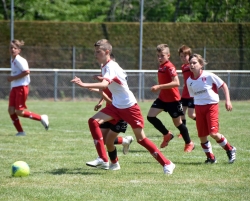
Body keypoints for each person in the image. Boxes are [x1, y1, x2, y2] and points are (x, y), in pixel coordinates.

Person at [71, 39, 175, 174]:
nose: (96, 55)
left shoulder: (110, 67)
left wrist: (83, 84)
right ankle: (103, 158)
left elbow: (105, 85)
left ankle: (167, 163)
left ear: (107, 52)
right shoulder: (105, 65)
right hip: (116, 106)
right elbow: (117, 80)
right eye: (95, 52)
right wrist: (101, 77)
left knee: (141, 139)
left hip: (129, 106)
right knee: (93, 121)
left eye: (98, 52)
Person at [187, 53, 236, 163]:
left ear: (201, 64)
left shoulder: (209, 76)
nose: (192, 65)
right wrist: (192, 110)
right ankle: (210, 158)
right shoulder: (189, 81)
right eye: (190, 63)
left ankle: (230, 149)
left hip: (211, 106)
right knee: (202, 135)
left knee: (213, 133)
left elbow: (223, 85)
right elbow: (192, 96)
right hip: (199, 108)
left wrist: (228, 100)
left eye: (194, 63)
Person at [147, 44, 194, 152]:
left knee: (178, 123)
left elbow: (176, 82)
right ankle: (166, 134)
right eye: (158, 55)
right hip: (163, 98)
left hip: (173, 100)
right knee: (150, 116)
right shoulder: (161, 66)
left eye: (162, 56)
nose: (159, 58)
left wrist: (159, 86)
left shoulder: (170, 66)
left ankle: (189, 143)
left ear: (168, 55)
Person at [7, 39, 49, 136]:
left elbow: (26, 71)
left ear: (19, 50)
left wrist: (13, 78)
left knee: (19, 112)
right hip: (15, 87)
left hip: (21, 87)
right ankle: (21, 132)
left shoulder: (19, 60)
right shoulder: (12, 59)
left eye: (15, 48)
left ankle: (41, 118)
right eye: (11, 48)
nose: (12, 50)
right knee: (11, 110)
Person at [89, 87, 133, 155]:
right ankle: (125, 141)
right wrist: (100, 102)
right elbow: (106, 92)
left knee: (109, 142)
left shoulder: (118, 86)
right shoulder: (109, 82)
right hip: (108, 113)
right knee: (102, 140)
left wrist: (100, 91)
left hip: (119, 115)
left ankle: (113, 163)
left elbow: (113, 103)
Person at [177, 45, 196, 138]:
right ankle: (183, 132)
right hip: (185, 93)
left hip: (192, 94)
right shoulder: (183, 66)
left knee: (191, 115)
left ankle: (204, 123)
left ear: (189, 55)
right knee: (181, 114)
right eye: (181, 56)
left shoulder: (192, 65)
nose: (183, 58)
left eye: (185, 56)